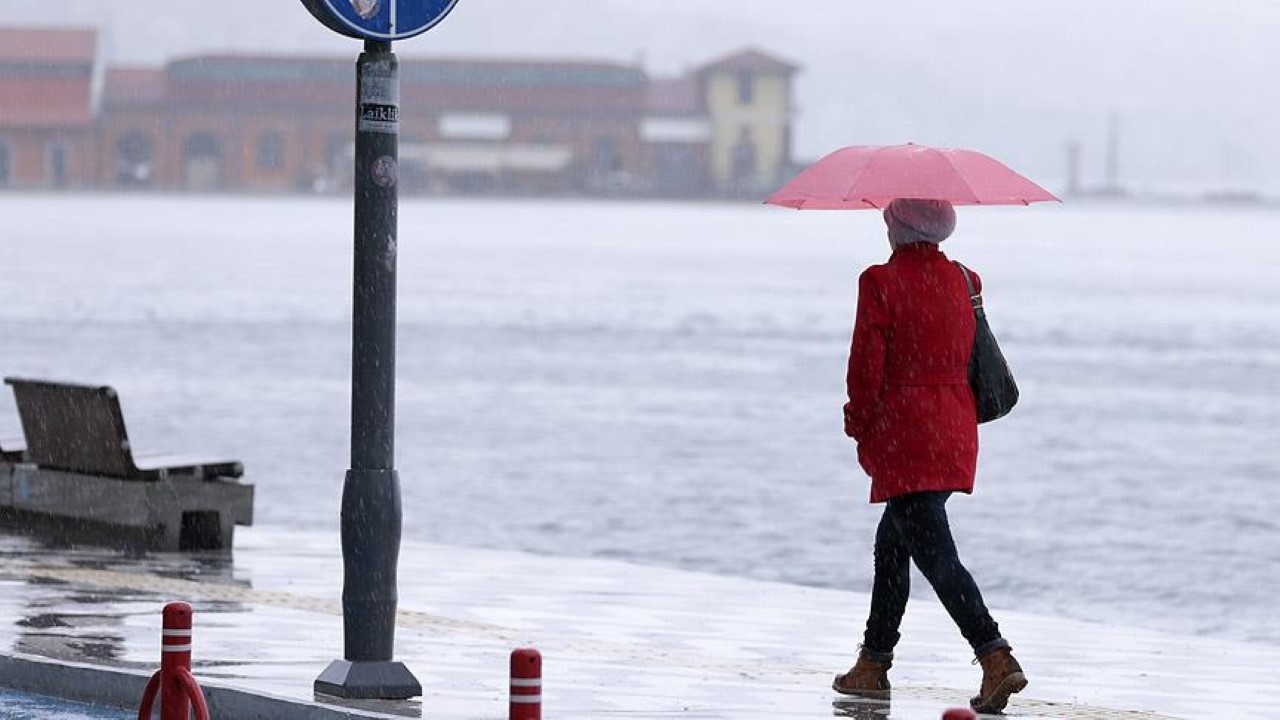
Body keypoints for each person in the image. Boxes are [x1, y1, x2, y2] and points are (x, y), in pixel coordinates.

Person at [831, 198, 1027, 713]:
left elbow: (865, 368)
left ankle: (995, 655)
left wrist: (858, 424)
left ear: (897, 226)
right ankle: (872, 665)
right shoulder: (966, 279)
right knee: (894, 546)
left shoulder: (879, 282)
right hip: (954, 432)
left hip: (905, 435)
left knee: (936, 555)